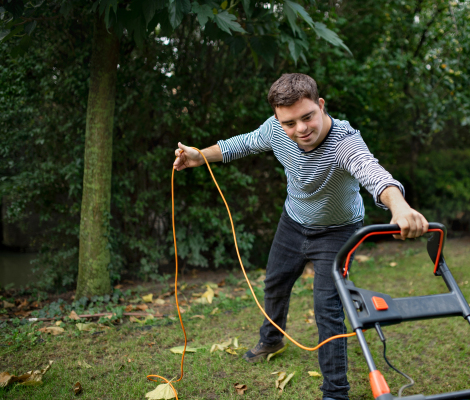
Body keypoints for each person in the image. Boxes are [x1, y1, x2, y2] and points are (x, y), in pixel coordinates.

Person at [173, 73, 428, 400]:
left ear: (320, 106)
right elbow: (242, 143)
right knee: (275, 283)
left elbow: (372, 172)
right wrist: (198, 156)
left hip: (339, 233)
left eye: (307, 117)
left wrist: (401, 206)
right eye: (290, 123)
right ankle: (272, 339)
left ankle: (335, 391)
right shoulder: (277, 130)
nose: (301, 129)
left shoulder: (344, 141)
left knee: (328, 308)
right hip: (293, 222)